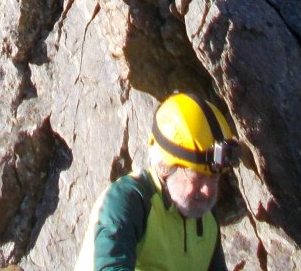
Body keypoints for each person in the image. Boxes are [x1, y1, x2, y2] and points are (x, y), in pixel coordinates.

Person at [74, 92, 245, 271]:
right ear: (166, 168)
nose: (208, 191)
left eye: (214, 178)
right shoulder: (128, 202)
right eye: (197, 177)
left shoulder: (207, 218)